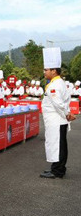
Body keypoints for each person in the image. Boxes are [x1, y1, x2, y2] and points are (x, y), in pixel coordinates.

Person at [40, 47, 76, 179]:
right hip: (57, 120)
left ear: (53, 71)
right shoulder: (58, 82)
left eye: (46, 70)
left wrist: (67, 114)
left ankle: (58, 171)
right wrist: (67, 113)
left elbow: (58, 104)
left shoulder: (55, 85)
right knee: (58, 144)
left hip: (57, 120)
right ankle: (57, 168)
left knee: (58, 145)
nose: (44, 72)